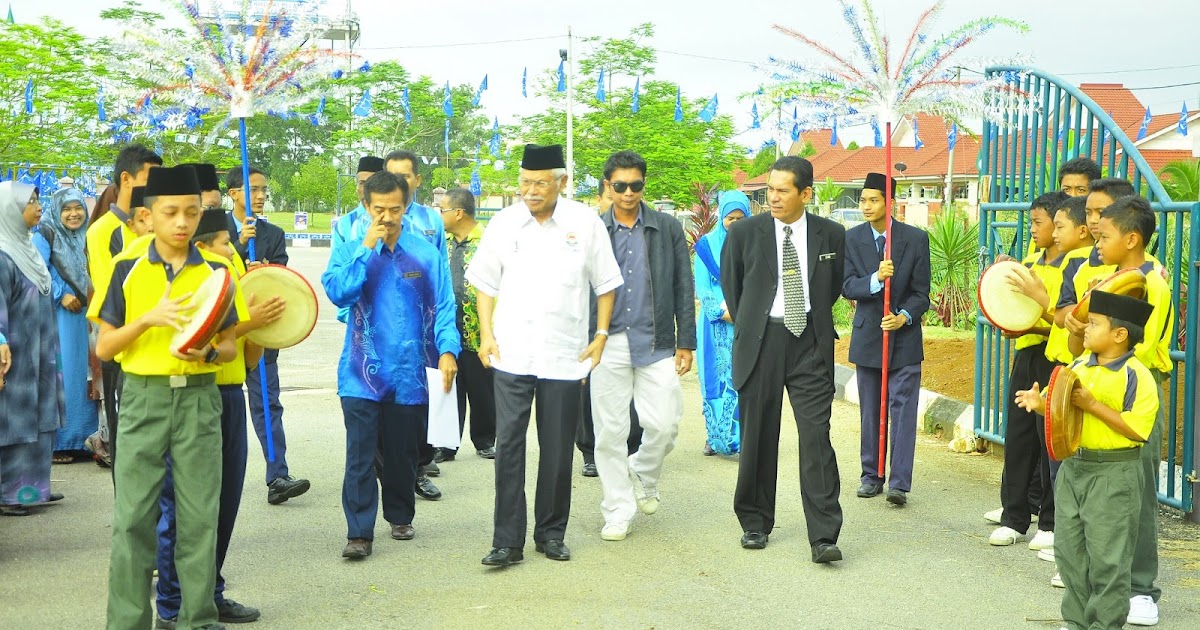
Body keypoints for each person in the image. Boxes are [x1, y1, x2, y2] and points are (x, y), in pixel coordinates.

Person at [89, 165, 247, 630]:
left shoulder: (218, 272)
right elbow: (105, 347)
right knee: (134, 519)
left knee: (200, 517)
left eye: (192, 213)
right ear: (149, 214)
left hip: (200, 398)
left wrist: (211, 352)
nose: (182, 222)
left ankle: (197, 619)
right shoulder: (127, 267)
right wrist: (148, 319)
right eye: (171, 212)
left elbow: (231, 344)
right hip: (143, 398)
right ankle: (127, 622)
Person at [468, 143, 623, 566]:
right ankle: (507, 541)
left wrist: (602, 333)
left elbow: (606, 283)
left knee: (557, 450)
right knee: (509, 448)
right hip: (511, 353)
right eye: (525, 183)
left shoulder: (585, 223)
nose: (531, 191)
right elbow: (485, 284)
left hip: (565, 355)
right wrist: (485, 334)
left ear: (561, 183)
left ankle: (551, 533)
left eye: (540, 183)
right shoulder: (504, 223)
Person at [153, 209, 281, 628]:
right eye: (226, 242)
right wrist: (249, 323)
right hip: (198, 395)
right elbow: (206, 338)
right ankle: (173, 604)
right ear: (203, 244)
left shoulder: (231, 272)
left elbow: (245, 357)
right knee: (185, 507)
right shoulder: (201, 276)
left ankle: (212, 591)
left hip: (231, 394)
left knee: (224, 506)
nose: (233, 248)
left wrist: (262, 329)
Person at [322, 171, 459, 560]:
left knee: (402, 452)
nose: (387, 217)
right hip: (361, 371)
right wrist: (365, 248)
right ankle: (359, 532)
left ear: (406, 206)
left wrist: (448, 350)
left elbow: (444, 305)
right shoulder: (350, 247)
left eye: (395, 209)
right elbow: (338, 293)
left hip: (411, 372)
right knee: (360, 454)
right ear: (366, 207)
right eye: (379, 209)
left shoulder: (426, 253)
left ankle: (400, 515)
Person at [720, 156, 845, 562]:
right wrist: (756, 325)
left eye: (782, 190)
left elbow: (833, 288)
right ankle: (755, 522)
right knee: (758, 434)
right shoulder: (745, 234)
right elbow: (734, 288)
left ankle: (824, 535)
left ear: (805, 193)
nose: (772, 197)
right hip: (762, 341)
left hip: (810, 341)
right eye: (769, 190)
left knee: (816, 438)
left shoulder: (831, 234)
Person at [1014, 290, 1157, 630]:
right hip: (1074, 469)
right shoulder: (1079, 364)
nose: (1084, 330)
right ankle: (1076, 622)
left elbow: (1137, 430)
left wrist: (1093, 406)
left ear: (1120, 335)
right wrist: (1039, 402)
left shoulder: (1138, 376)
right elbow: (1058, 401)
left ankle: (1104, 625)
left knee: (1108, 560)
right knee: (1070, 554)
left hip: (1114, 473)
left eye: (1094, 324)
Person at [588, 150, 694, 541]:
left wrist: (686, 340)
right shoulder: (594, 231)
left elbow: (684, 283)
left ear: (643, 185)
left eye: (635, 185)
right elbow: (582, 289)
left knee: (665, 424)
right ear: (608, 186)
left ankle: (644, 472)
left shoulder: (666, 227)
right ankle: (617, 509)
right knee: (609, 432)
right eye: (620, 186)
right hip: (607, 341)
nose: (628, 192)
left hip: (655, 340)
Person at [1087, 195, 1172, 627]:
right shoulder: (1115, 275)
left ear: (1132, 238)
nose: (1096, 242)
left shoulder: (1148, 281)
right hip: (1104, 381)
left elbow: (1134, 344)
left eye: (1104, 235)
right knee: (1107, 491)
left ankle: (1142, 589)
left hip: (1135, 386)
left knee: (1136, 491)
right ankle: (1109, 580)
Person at [842, 172, 931, 507]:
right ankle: (871, 475)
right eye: (863, 200)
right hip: (868, 338)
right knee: (870, 411)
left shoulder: (914, 239)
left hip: (904, 340)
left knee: (903, 409)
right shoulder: (852, 239)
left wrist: (904, 315)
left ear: (888, 202)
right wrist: (876, 279)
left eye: (873, 200)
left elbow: (922, 293)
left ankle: (898, 482)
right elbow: (847, 285)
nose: (866, 206)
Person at [225, 165, 311, 505]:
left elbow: (281, 278)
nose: (260, 196)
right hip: (224, 332)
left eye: (264, 190)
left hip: (260, 332)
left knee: (267, 404)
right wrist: (236, 244)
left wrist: (265, 272)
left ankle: (278, 476)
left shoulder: (273, 234)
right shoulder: (213, 229)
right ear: (233, 193)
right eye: (253, 189)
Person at [986, 192, 1067, 549]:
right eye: (1032, 222)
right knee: (1018, 436)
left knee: (1048, 439)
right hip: (1027, 356)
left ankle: (1048, 523)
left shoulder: (1072, 267)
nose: (1033, 229)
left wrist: (1032, 326)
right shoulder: (1030, 262)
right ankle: (1014, 517)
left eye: (1039, 223)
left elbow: (1068, 322)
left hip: (1054, 357)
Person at [86, 144, 162, 473]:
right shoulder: (103, 231)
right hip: (123, 351)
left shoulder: (157, 226)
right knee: (127, 447)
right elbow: (110, 297)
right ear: (127, 179)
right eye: (151, 179)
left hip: (157, 348)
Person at [382, 151, 451, 490]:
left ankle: (421, 467)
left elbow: (439, 277)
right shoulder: (361, 221)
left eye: (406, 176)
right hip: (383, 327)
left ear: (417, 180)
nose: (399, 182)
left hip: (424, 326)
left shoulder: (430, 220)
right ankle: (389, 469)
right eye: (392, 175)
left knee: (424, 399)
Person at [0, 182, 64, 516]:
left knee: (40, 419)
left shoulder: (28, 248)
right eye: (31, 202)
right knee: (15, 421)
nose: (38, 207)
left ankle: (33, 490)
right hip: (15, 356)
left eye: (39, 201)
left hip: (40, 351)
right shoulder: (2, 254)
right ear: (10, 209)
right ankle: (9, 493)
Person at [32, 188, 99, 463]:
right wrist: (61, 293)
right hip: (63, 313)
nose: (74, 214)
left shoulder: (89, 233)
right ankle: (62, 442)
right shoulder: (45, 233)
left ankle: (88, 438)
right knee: (68, 375)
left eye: (78, 208)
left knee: (90, 374)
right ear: (57, 211)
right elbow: (37, 268)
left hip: (90, 312)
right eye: (67, 209)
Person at [438, 187, 496, 460]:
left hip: (479, 328)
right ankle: (446, 445)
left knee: (482, 388)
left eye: (443, 210)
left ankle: (485, 440)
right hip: (448, 326)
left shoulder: (489, 240)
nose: (440, 215)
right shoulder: (442, 242)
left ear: (458, 213)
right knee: (450, 387)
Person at [693, 190, 747, 456]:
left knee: (741, 379)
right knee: (714, 378)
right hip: (714, 326)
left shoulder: (754, 244)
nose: (735, 223)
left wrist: (743, 311)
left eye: (740, 218)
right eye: (730, 218)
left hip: (744, 324)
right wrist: (721, 312)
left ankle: (742, 438)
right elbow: (702, 288)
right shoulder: (706, 246)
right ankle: (714, 436)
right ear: (721, 217)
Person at [332, 155, 385, 325]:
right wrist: (348, 315)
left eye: (373, 182)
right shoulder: (345, 225)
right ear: (357, 187)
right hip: (355, 316)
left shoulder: (397, 222)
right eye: (362, 183)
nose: (367, 188)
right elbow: (337, 273)